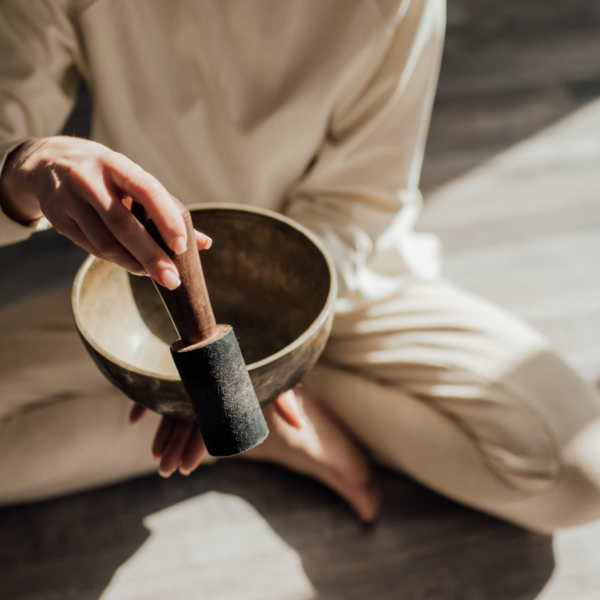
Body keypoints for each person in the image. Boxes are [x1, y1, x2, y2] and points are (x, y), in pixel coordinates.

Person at [1, 0, 600, 533]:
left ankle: (242, 411)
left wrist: (256, 363)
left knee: (576, 473)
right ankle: (252, 428)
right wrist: (29, 165)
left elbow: (356, 204)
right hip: (156, 304)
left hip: (347, 284)